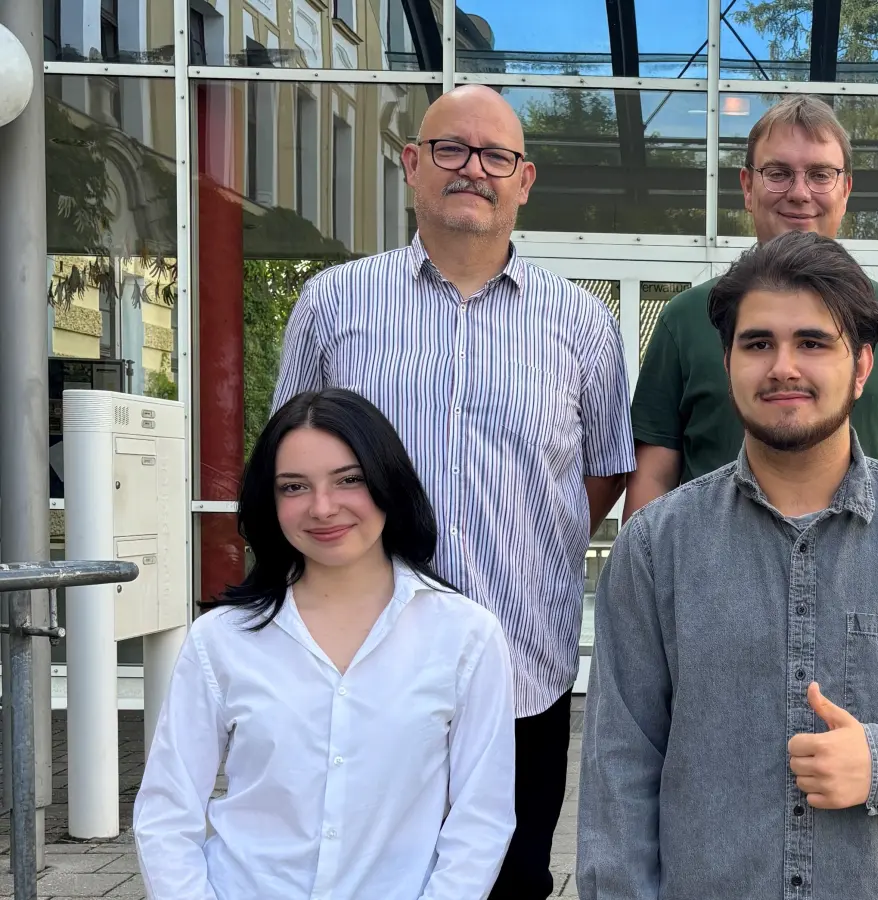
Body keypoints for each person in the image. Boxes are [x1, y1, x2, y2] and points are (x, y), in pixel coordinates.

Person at [577, 230, 878, 900]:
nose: (783, 367)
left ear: (861, 367)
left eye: (812, 342)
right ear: (728, 360)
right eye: (758, 343)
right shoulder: (658, 547)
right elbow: (619, 766)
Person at [271, 84, 634, 900]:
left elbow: (603, 472)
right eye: (451, 150)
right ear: (411, 164)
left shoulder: (581, 323)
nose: (474, 169)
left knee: (512, 881)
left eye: (496, 156)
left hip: (521, 672)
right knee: (354, 876)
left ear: (525, 179)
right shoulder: (333, 304)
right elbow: (289, 469)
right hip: (360, 667)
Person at [133, 388, 516, 899]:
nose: (322, 507)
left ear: (387, 481)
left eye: (349, 480)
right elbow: (166, 813)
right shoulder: (221, 641)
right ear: (270, 502)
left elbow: (482, 818)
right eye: (293, 487)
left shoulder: (466, 636)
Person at [625, 95, 878, 518]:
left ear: (845, 189)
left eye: (820, 174)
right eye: (778, 173)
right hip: (716, 573)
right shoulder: (685, 319)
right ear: (747, 187)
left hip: (871, 575)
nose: (800, 193)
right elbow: (653, 475)